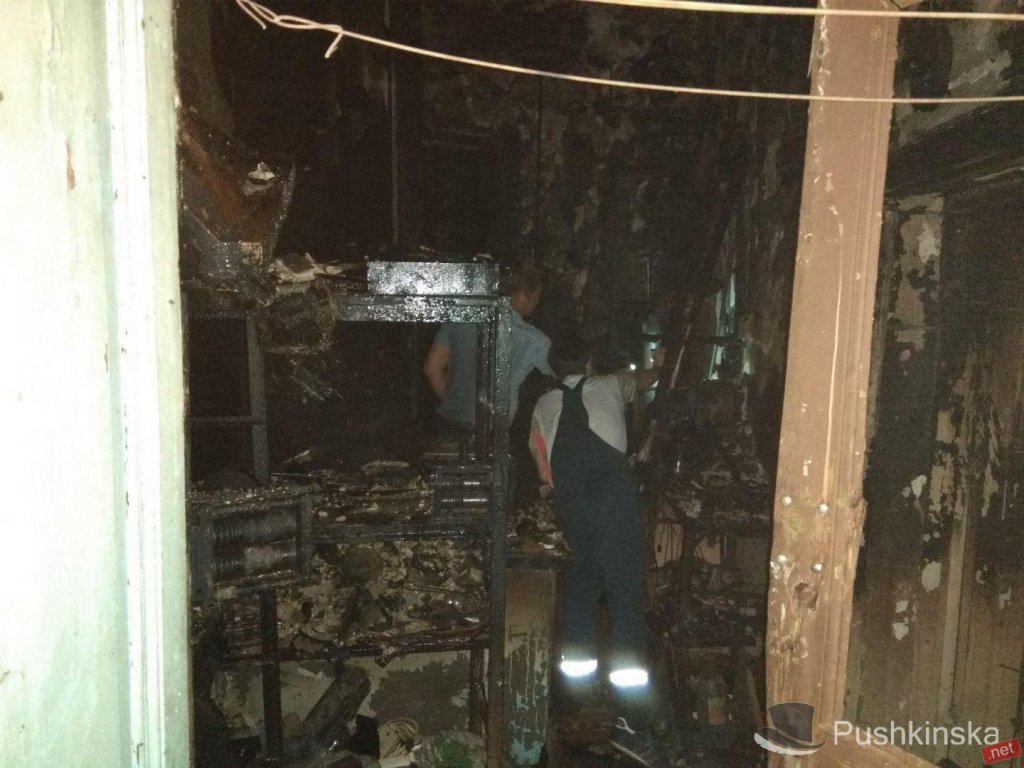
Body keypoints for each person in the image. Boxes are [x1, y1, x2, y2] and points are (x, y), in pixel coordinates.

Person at [529, 334, 666, 767]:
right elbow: (641, 381)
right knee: (626, 606)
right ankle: (630, 723)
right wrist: (659, 366)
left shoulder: (543, 405)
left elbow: (543, 472)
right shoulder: (608, 385)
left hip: (573, 513)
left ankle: (574, 699)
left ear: (552, 367)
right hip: (614, 510)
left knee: (581, 594)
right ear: (589, 363)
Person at [423, 265, 554, 437]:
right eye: (535, 297)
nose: (537, 303)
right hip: (494, 431)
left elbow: (432, 368)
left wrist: (458, 401)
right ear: (520, 295)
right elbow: (550, 387)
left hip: (449, 422)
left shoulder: (458, 320)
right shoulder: (535, 340)